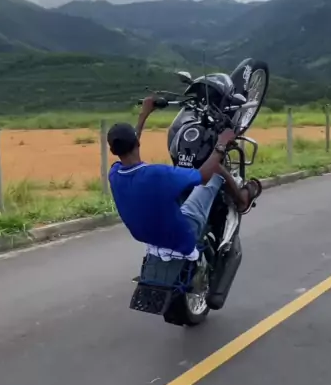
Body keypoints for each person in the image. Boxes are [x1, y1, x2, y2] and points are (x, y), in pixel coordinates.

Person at [108, 96, 262, 261]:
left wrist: (144, 114)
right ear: (136, 143)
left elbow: (131, 144)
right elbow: (203, 176)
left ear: (113, 151)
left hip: (148, 237)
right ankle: (242, 200)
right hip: (182, 238)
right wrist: (221, 144)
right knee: (215, 169)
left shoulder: (114, 173)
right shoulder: (157, 175)